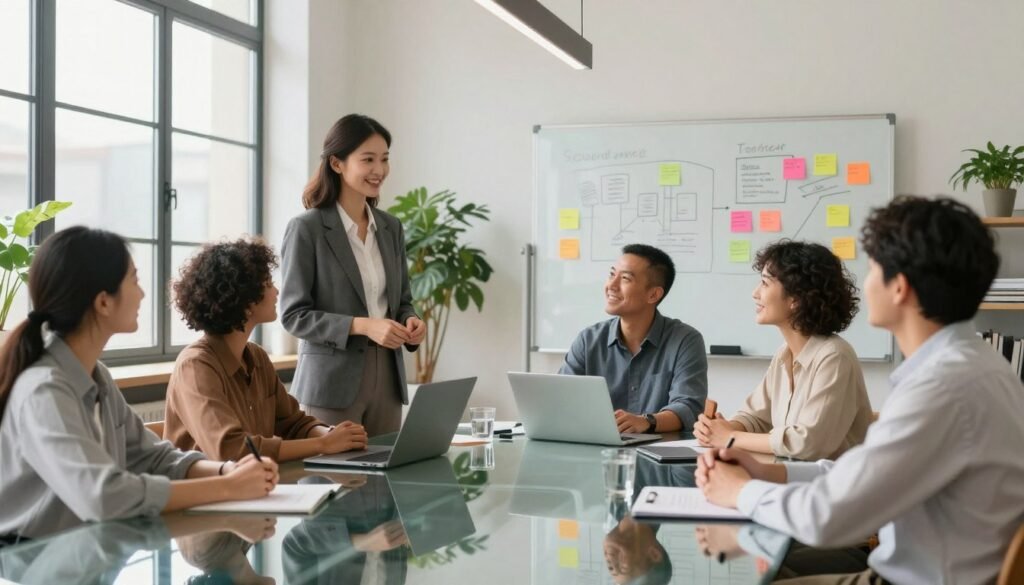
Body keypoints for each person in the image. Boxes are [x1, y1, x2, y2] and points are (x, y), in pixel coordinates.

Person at [696, 196, 1024, 585]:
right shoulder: (971, 367)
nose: (863, 284)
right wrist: (772, 473)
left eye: (871, 269)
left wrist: (741, 491)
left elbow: (827, 517)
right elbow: (863, 474)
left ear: (899, 287)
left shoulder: (941, 387)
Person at [0, 227, 278, 541]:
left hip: (85, 552)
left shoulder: (96, 375)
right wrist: (227, 488)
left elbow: (152, 457)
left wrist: (227, 471)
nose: (143, 293)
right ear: (103, 302)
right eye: (134, 280)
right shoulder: (44, 390)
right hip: (27, 563)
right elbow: (103, 497)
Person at [280, 114, 426, 436]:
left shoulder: (390, 228)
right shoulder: (307, 229)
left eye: (384, 159)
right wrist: (363, 325)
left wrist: (411, 321)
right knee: (335, 482)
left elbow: (402, 301)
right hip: (332, 382)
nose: (379, 170)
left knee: (386, 479)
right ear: (337, 163)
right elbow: (294, 316)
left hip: (387, 379)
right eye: (368, 159)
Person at [163, 238, 368, 462]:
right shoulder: (195, 366)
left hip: (256, 488)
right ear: (247, 301)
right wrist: (322, 444)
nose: (277, 291)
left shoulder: (256, 356)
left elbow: (292, 423)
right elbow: (230, 450)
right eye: (269, 283)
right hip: (209, 493)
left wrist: (333, 435)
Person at [693, 240, 873, 460]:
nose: (755, 293)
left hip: (828, 486)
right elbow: (756, 417)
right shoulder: (784, 354)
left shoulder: (834, 356)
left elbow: (808, 443)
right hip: (791, 477)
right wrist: (721, 429)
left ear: (796, 299)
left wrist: (730, 437)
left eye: (765, 283)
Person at [559, 244, 707, 433]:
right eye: (612, 274)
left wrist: (646, 422)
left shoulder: (685, 340)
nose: (611, 286)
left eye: (625, 279)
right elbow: (561, 399)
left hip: (660, 456)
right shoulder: (588, 340)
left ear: (653, 294)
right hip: (596, 451)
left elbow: (688, 408)